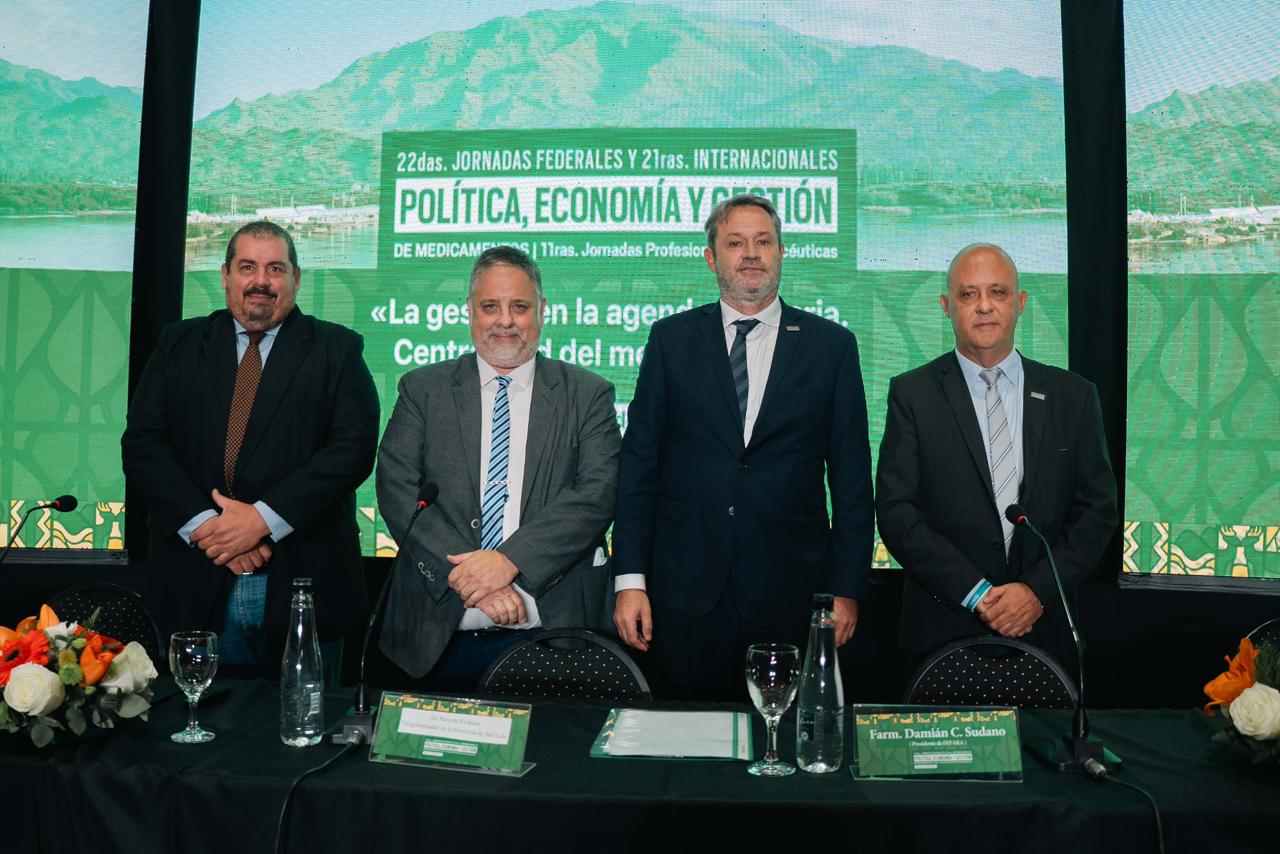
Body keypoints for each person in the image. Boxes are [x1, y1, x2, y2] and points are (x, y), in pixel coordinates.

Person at [612, 194, 874, 700]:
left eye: (763, 242)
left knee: (779, 737)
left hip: (790, 595)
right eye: (735, 243)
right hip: (683, 596)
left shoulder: (831, 347)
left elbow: (852, 482)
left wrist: (847, 589)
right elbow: (639, 467)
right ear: (712, 258)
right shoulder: (670, 340)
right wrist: (629, 581)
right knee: (686, 739)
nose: (751, 253)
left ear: (781, 252)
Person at [122, 220, 379, 674]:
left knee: (305, 716)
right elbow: (143, 445)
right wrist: (212, 529)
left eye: (275, 268)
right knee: (197, 715)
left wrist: (259, 521)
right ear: (225, 276)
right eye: (247, 267)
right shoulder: (177, 344)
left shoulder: (337, 349)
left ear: (296, 278)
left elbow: (352, 450)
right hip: (195, 580)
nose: (261, 281)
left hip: (303, 583)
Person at [375, 246, 621, 687]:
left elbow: (597, 494)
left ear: (542, 311)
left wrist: (507, 562)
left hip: (553, 638)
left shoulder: (588, 394)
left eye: (519, 307)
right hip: (434, 640)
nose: (504, 321)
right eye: (490, 306)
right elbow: (398, 489)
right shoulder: (422, 390)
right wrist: (474, 579)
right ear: (469, 310)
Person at [876, 243, 1118, 670]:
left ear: (1020, 302)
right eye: (968, 294)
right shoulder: (912, 394)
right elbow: (897, 512)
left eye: (998, 292)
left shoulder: (1073, 396)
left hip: (1044, 630)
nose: (984, 306)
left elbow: (1098, 511)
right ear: (946, 306)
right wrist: (977, 594)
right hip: (943, 630)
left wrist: (1035, 592)